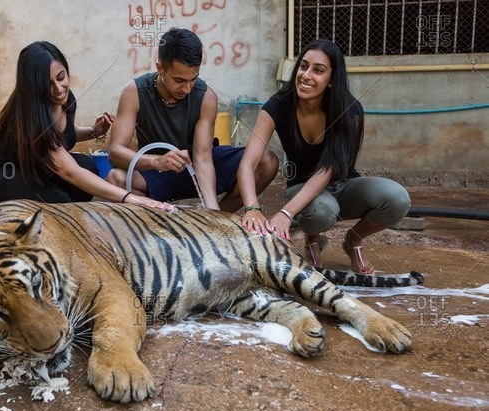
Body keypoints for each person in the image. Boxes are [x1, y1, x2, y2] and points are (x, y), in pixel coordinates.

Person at [237, 39, 410, 274]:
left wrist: (286, 213)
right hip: (301, 189)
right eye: (303, 66)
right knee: (321, 211)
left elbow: (328, 168)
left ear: (331, 80)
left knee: (397, 199)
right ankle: (312, 238)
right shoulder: (278, 106)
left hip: (343, 184)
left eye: (318, 70)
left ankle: (353, 241)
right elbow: (248, 163)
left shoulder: (350, 110)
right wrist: (251, 208)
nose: (306, 75)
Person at [0, 41, 174, 212]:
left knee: (88, 167)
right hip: (3, 176)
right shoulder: (32, 118)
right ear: (33, 86)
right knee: (60, 203)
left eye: (61, 77)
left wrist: (93, 132)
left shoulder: (63, 100)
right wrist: (130, 197)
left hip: (34, 169)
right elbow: (71, 172)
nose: (58, 88)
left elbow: (64, 132)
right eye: (47, 84)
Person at [106, 28, 277, 212]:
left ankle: (214, 221)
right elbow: (115, 153)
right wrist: (157, 161)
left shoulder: (206, 97)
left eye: (193, 80)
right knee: (116, 179)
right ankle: (159, 222)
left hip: (198, 168)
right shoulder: (134, 92)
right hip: (157, 173)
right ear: (160, 68)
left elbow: (203, 158)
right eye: (179, 80)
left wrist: (213, 211)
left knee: (266, 161)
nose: (187, 89)